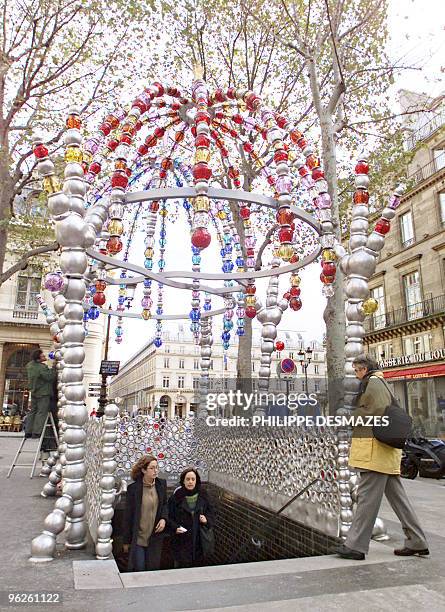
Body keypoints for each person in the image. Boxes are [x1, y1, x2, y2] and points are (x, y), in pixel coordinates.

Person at [336, 355, 429, 560]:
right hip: (383, 453)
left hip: (374, 452)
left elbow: (376, 409)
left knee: (366, 499)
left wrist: (350, 417)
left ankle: (355, 546)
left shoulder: (374, 382)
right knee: (400, 501)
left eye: (356, 370)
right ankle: (417, 541)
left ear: (364, 369)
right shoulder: (379, 381)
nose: (355, 374)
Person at [123, 455, 168, 571]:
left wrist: (163, 519)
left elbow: (165, 505)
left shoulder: (161, 484)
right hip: (138, 538)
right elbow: (128, 516)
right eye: (152, 468)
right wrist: (126, 541)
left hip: (155, 537)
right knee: (140, 569)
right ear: (143, 470)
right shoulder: (133, 489)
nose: (155, 471)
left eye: (157, 467)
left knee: (153, 569)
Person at [168, 467, 214, 568]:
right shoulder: (176, 497)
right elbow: (169, 516)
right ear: (183, 481)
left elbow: (212, 512)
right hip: (182, 539)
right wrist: (175, 527)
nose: (190, 482)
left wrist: (206, 520)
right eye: (188, 479)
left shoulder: (203, 495)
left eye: (193, 479)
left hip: (200, 540)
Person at [25, 349, 56, 439]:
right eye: (42, 356)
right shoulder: (41, 367)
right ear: (38, 358)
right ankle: (37, 432)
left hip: (34, 392)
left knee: (32, 412)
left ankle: (28, 431)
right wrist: (53, 368)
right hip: (43, 392)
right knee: (41, 412)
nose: (44, 357)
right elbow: (49, 377)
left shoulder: (30, 365)